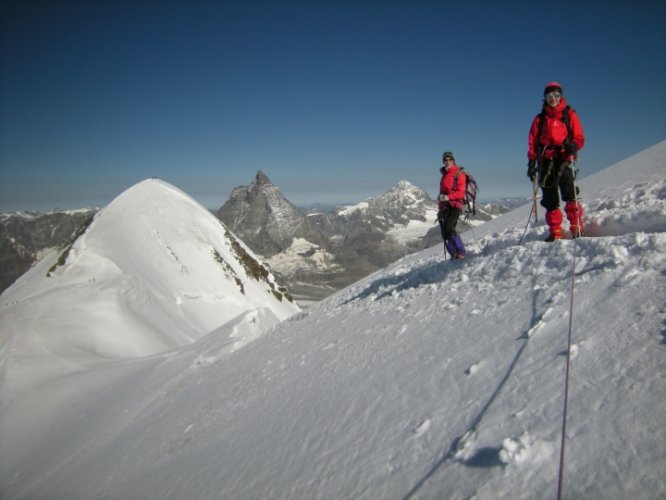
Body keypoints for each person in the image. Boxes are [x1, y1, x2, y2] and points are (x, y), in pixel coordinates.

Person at [527, 81, 586, 241]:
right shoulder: (539, 119)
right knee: (550, 197)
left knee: (569, 193)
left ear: (561, 96)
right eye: (549, 95)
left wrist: (574, 145)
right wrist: (531, 162)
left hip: (564, 157)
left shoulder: (569, 114)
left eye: (556, 95)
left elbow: (579, 136)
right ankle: (556, 231)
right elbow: (533, 141)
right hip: (546, 160)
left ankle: (576, 226)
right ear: (545, 98)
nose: (553, 98)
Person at [437, 151, 466, 259]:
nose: (448, 161)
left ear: (453, 161)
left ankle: (460, 252)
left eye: (450, 159)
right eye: (445, 160)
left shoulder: (459, 174)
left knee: (449, 228)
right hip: (445, 206)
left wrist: (448, 197)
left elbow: (461, 193)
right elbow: (442, 193)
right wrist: (440, 207)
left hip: (455, 205)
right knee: (445, 231)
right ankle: (453, 254)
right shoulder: (444, 175)